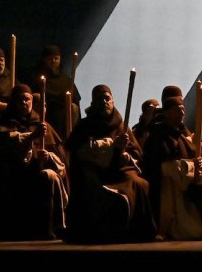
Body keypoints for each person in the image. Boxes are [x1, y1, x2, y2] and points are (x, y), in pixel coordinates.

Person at [64, 84, 157, 243]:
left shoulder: (121, 125)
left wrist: (126, 156)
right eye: (100, 99)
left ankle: (138, 233)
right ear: (93, 103)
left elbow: (136, 154)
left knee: (139, 183)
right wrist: (112, 146)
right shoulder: (85, 126)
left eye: (107, 98)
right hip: (96, 175)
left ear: (113, 101)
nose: (104, 102)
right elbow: (80, 152)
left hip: (120, 172)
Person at [0, 83, 69, 240]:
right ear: (13, 102)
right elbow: (1, 154)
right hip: (13, 181)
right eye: (20, 100)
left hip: (38, 177)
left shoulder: (42, 125)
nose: (24, 103)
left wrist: (48, 158)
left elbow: (62, 160)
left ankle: (51, 227)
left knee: (49, 176)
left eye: (27, 99)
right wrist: (31, 138)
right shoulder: (2, 124)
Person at [141, 86, 202, 240]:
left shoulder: (183, 132)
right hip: (169, 185)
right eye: (177, 109)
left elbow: (193, 155)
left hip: (185, 179)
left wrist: (199, 164)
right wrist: (192, 167)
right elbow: (164, 165)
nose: (182, 113)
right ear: (167, 112)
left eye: (183, 109)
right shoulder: (159, 134)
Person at [32, 44, 81, 141]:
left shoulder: (67, 80)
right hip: (47, 114)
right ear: (44, 60)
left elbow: (76, 102)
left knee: (73, 108)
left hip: (64, 118)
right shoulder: (37, 78)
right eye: (50, 59)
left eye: (56, 58)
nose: (53, 61)